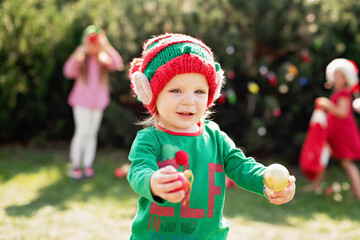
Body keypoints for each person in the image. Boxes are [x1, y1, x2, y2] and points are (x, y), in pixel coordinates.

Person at [127, 33, 296, 239]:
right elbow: (138, 171)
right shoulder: (150, 139)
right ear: (151, 93)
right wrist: (153, 181)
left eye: (199, 91)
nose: (189, 101)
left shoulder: (215, 137)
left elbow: (241, 166)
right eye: (176, 90)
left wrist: (266, 181)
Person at [63, 25, 124, 180]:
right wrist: (82, 49)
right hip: (81, 101)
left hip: (98, 102)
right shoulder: (82, 57)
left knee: (91, 134)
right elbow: (68, 71)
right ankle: (75, 165)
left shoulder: (102, 58)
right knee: (82, 132)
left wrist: (105, 45)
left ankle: (87, 164)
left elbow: (118, 64)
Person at [313, 58, 360, 198]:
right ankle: (316, 185)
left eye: (341, 76)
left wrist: (328, 105)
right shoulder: (338, 93)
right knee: (324, 156)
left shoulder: (344, 94)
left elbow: (342, 113)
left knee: (346, 162)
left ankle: (358, 191)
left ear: (346, 78)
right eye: (336, 75)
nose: (337, 78)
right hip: (334, 131)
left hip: (343, 133)